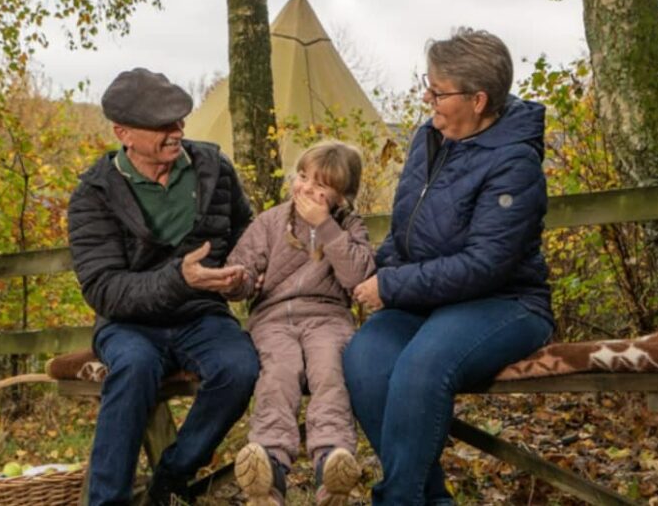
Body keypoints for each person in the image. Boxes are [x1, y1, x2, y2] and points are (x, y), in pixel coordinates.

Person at [342, 28, 556, 505]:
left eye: (438, 91)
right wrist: (373, 273)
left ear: (478, 100)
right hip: (427, 299)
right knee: (365, 360)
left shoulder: (515, 163)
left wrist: (392, 285)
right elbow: (406, 231)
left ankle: (397, 500)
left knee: (422, 367)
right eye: (428, 85)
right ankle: (427, 498)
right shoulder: (428, 138)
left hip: (504, 303)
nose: (427, 97)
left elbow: (485, 265)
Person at [67, 68, 260, 506]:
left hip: (202, 315)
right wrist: (179, 278)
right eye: (162, 125)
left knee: (240, 368)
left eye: (179, 120)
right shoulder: (93, 194)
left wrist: (242, 273)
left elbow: (245, 233)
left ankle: (170, 477)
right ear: (123, 133)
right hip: (128, 324)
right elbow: (104, 289)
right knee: (133, 370)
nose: (177, 131)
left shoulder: (214, 168)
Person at [222, 141, 376, 506]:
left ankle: (331, 465)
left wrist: (326, 228)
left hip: (328, 318)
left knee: (330, 371)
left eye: (320, 186)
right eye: (303, 176)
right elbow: (243, 267)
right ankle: (269, 469)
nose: (305, 188)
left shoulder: (348, 225)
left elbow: (357, 275)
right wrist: (239, 281)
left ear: (341, 197)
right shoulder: (271, 221)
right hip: (274, 319)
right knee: (279, 372)